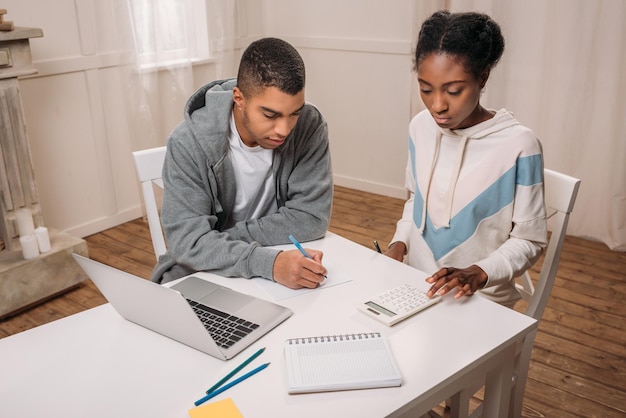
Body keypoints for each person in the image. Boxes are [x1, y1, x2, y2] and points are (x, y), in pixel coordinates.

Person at [384, 11, 547, 308]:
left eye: (454, 90)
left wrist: (480, 272)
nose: (437, 105)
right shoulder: (420, 127)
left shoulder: (519, 147)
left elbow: (530, 241)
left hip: (480, 301)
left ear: (483, 77)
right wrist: (399, 243)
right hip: (413, 289)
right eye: (425, 88)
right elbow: (415, 203)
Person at [150, 37, 333, 289]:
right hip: (206, 273)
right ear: (239, 98)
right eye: (270, 115)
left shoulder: (309, 125)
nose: (284, 129)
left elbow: (310, 218)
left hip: (270, 262)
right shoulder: (187, 143)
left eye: (294, 113)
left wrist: (218, 242)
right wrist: (267, 263)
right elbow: (186, 243)